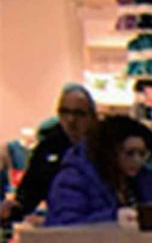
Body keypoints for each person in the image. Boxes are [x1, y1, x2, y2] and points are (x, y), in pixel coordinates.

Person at [1, 84, 96, 225]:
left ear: (92, 117)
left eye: (79, 113)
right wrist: (14, 208)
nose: (71, 120)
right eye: (65, 112)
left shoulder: (105, 149)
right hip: (58, 225)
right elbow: (29, 192)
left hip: (98, 225)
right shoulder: (48, 147)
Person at [41, 115, 152, 227]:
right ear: (109, 152)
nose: (137, 160)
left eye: (142, 154)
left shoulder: (145, 181)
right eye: (129, 153)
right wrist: (113, 219)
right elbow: (65, 225)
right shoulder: (73, 179)